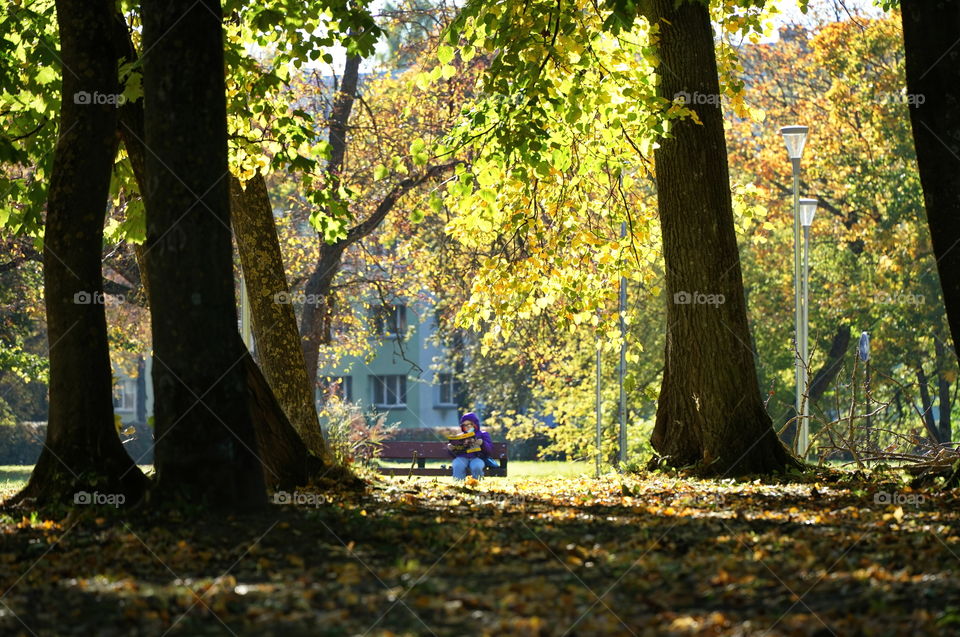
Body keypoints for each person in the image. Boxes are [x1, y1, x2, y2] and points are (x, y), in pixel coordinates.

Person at [449, 412, 493, 480]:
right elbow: (454, 454)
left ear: (475, 424)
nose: (467, 427)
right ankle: (458, 486)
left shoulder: (483, 434)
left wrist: (482, 443)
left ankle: (477, 485)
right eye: (465, 425)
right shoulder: (460, 436)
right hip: (462, 457)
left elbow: (489, 451)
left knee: (477, 466)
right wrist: (451, 448)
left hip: (477, 458)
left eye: (470, 424)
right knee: (457, 465)